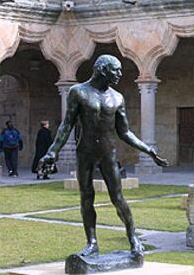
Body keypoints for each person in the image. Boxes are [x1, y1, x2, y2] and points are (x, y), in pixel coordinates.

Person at [39, 55, 168, 256]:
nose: (119, 74)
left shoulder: (117, 98)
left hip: (108, 153)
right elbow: (67, 124)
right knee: (86, 197)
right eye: (115, 70)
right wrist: (52, 151)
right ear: (102, 70)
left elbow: (124, 132)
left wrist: (148, 150)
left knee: (118, 198)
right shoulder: (78, 92)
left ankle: (132, 236)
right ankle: (92, 243)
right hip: (85, 153)